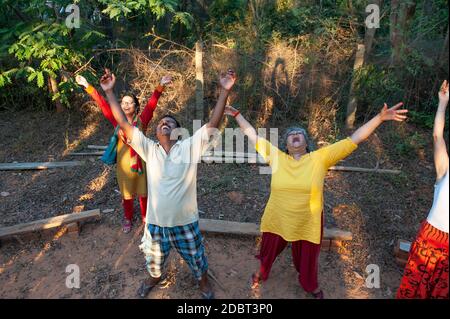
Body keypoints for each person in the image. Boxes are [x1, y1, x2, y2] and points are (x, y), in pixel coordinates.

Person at [225, 101, 408, 299]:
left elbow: (354, 139)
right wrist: (237, 115)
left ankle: (309, 284)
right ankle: (262, 272)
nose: (294, 134)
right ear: (286, 145)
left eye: (299, 133)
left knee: (308, 261)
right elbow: (252, 135)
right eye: (290, 135)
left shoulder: (320, 158)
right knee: (267, 252)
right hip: (278, 217)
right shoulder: (276, 157)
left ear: (306, 142)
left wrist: (379, 118)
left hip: (308, 221)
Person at [99, 68, 237, 299]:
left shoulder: (189, 148)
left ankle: (203, 282)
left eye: (171, 123)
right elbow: (123, 123)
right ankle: (154, 277)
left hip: (186, 222)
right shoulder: (149, 149)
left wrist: (224, 91)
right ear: (155, 130)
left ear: (179, 133)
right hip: (155, 225)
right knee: (153, 261)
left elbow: (213, 123)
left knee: (196, 259)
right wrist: (110, 92)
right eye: (162, 122)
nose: (165, 123)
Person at [75, 72, 172, 233]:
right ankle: (127, 218)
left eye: (130, 103)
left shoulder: (142, 121)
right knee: (126, 194)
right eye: (123, 102)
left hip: (142, 163)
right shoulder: (116, 121)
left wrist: (160, 86)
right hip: (123, 166)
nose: (126, 105)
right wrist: (87, 86)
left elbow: (152, 104)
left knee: (144, 192)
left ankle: (145, 217)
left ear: (136, 106)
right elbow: (103, 104)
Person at [397, 81, 449, 299]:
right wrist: (443, 104)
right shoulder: (446, 169)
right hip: (430, 237)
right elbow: (437, 137)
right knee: (413, 289)